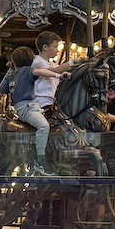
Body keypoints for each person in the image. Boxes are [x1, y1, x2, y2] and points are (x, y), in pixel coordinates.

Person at [15, 31, 74, 175]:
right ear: (45, 47)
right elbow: (53, 71)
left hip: (51, 103)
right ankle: (41, 160)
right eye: (55, 46)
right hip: (40, 103)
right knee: (47, 127)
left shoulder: (50, 63)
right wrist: (71, 63)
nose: (57, 49)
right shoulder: (37, 62)